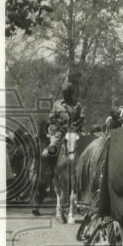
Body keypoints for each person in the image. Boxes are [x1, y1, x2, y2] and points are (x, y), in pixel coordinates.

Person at [32, 80, 84, 213]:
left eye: (68, 92)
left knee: (84, 149)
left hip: (74, 131)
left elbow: (81, 118)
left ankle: (83, 173)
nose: (66, 94)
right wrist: (56, 126)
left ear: (71, 92)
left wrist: (75, 127)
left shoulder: (77, 105)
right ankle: (50, 170)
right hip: (59, 133)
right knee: (48, 151)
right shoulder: (57, 104)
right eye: (64, 92)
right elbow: (51, 118)